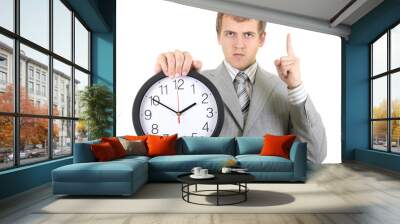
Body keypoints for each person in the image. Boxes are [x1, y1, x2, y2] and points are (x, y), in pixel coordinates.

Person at [154, 13, 327, 164]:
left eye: (248, 34)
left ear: (262, 38)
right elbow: (169, 146)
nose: (239, 44)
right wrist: (167, 81)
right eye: (230, 34)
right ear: (219, 36)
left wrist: (296, 87)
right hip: (212, 188)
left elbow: (313, 157)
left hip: (268, 191)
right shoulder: (196, 85)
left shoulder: (286, 89)